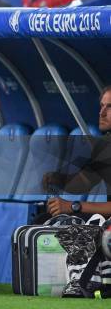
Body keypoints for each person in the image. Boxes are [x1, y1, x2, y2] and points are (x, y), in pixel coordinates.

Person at [45, 86, 111, 218]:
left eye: (109, 107)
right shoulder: (105, 144)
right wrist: (59, 179)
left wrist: (74, 206)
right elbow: (85, 181)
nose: (101, 113)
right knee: (42, 222)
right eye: (101, 106)